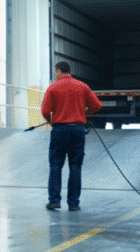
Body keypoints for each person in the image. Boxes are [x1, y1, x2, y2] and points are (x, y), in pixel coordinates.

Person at [40, 61, 102, 212]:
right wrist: (83, 114)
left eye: (56, 73)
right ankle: (73, 203)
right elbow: (97, 105)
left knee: (55, 165)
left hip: (60, 130)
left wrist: (52, 121)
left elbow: (45, 111)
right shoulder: (82, 86)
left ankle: (54, 201)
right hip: (77, 130)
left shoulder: (53, 88)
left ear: (59, 71)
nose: (55, 75)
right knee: (75, 166)